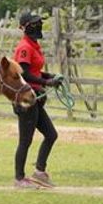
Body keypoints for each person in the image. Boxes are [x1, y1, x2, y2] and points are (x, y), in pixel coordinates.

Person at [13, 11, 63, 189]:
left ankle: (39, 173)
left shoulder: (34, 46)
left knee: (51, 135)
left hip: (36, 99)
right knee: (25, 141)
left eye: (39, 23)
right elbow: (23, 74)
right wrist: (46, 82)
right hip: (26, 100)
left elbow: (34, 71)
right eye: (34, 23)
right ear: (24, 27)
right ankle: (19, 179)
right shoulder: (24, 48)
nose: (38, 26)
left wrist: (50, 77)